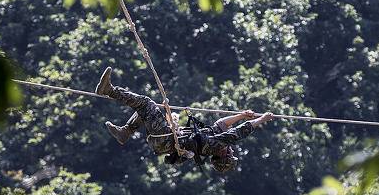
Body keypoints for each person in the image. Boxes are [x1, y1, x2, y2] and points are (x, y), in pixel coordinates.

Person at [95, 67, 274, 173]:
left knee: (146, 104)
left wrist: (263, 119)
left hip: (165, 139)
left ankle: (109, 90)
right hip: (164, 140)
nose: (230, 150)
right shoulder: (213, 140)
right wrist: (242, 114)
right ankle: (125, 132)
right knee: (146, 110)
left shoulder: (213, 146)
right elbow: (222, 125)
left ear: (221, 156)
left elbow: (238, 133)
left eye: (229, 154)